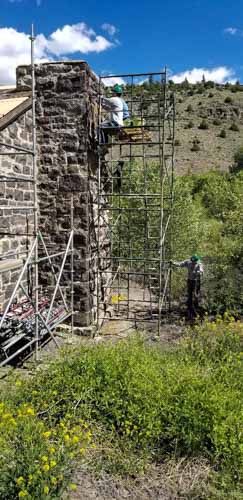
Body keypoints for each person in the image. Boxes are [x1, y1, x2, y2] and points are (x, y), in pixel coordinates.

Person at [171, 255, 203, 319]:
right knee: (189, 295)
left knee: (195, 295)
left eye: (195, 262)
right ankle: (190, 309)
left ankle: (196, 308)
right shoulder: (188, 262)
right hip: (189, 281)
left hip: (196, 281)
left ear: (196, 261)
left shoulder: (199, 264)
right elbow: (180, 264)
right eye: (192, 261)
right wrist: (173, 263)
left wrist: (198, 272)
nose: (193, 263)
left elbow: (201, 271)